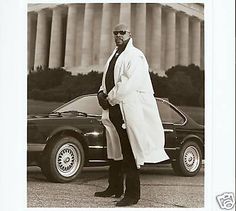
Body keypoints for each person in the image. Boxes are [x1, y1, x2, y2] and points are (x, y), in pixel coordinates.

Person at [95, 23, 169, 207]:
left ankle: (132, 194)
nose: (118, 35)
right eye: (116, 32)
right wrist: (100, 94)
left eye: (122, 32)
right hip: (113, 108)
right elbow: (107, 80)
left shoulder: (135, 56)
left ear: (129, 34)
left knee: (129, 152)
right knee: (115, 151)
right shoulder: (115, 55)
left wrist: (109, 98)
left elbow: (129, 83)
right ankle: (114, 187)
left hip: (127, 108)